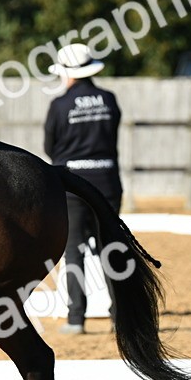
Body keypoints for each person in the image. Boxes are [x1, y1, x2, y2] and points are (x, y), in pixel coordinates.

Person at [43, 43, 123, 334]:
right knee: (112, 248)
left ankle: (76, 317)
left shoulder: (60, 105)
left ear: (66, 73)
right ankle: (120, 317)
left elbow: (50, 147)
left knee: (74, 251)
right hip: (108, 181)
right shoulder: (109, 99)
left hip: (73, 183)